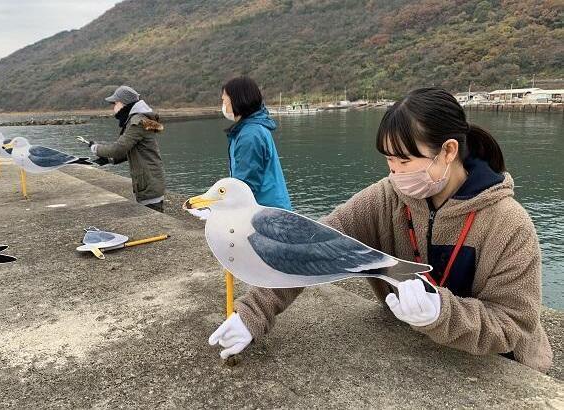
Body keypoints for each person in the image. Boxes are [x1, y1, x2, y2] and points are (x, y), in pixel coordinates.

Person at [208, 87, 553, 373]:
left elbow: (512, 324)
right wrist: (253, 313)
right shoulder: (388, 197)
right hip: (419, 351)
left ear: (448, 151)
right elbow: (311, 246)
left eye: (405, 161)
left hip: (497, 366)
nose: (396, 173)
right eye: (389, 160)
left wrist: (441, 312)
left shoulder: (509, 225)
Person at [84, 85, 166, 212]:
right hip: (149, 181)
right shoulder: (137, 119)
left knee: (154, 226)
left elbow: (119, 148)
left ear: (124, 103)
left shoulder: (137, 122)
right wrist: (109, 160)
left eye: (115, 103)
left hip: (149, 184)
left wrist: (95, 148)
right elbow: (130, 150)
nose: (114, 107)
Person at [221, 76, 291, 211]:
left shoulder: (250, 135)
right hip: (270, 208)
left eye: (224, 99)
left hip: (265, 212)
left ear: (236, 99)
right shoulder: (252, 129)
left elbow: (246, 185)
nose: (223, 104)